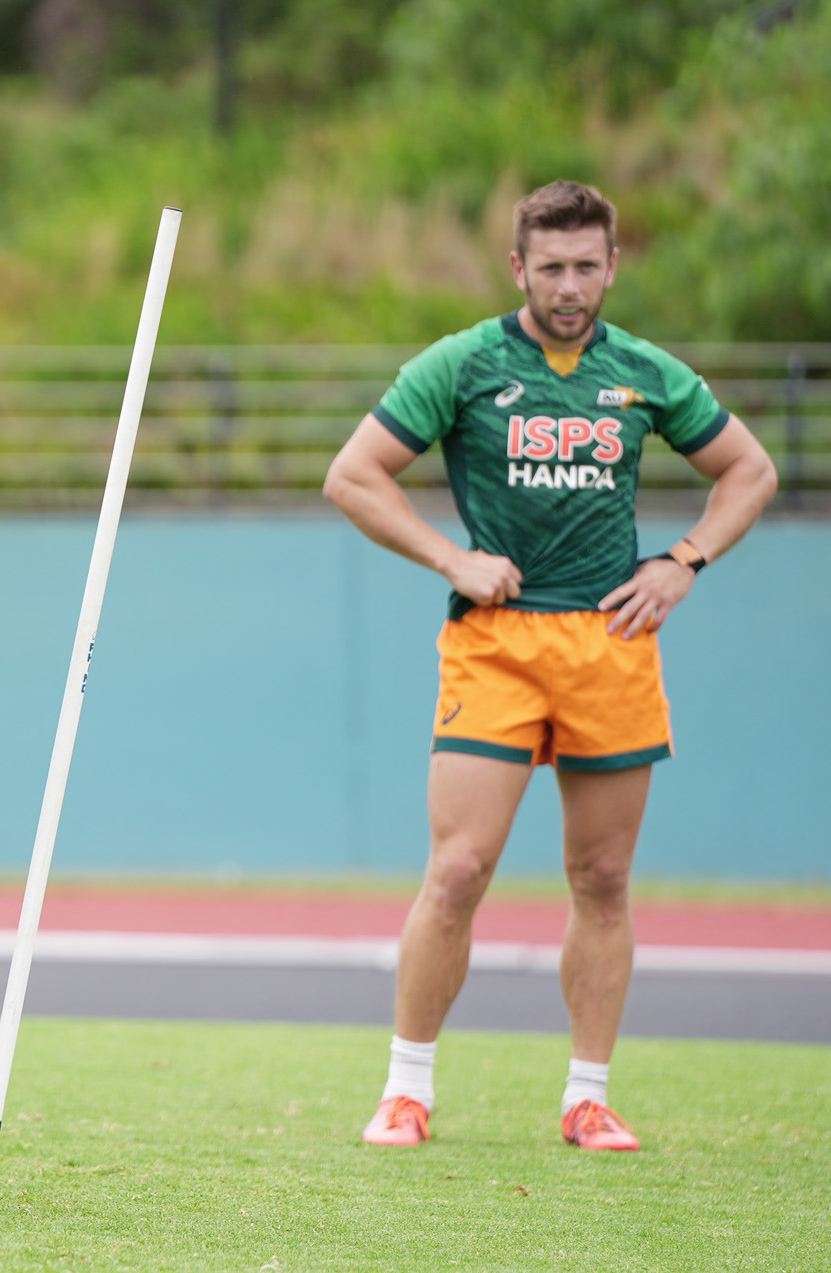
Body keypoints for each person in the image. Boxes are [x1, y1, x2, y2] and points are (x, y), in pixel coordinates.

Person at [322, 180, 778, 1152]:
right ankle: (405, 1089)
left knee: (601, 876)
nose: (567, 285)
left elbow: (749, 470)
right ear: (516, 265)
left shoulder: (643, 373)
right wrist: (450, 558)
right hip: (494, 643)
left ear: (610, 266)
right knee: (456, 870)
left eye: (585, 266)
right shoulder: (462, 364)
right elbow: (351, 475)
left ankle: (586, 1095)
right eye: (549, 266)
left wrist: (681, 561)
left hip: (608, 646)